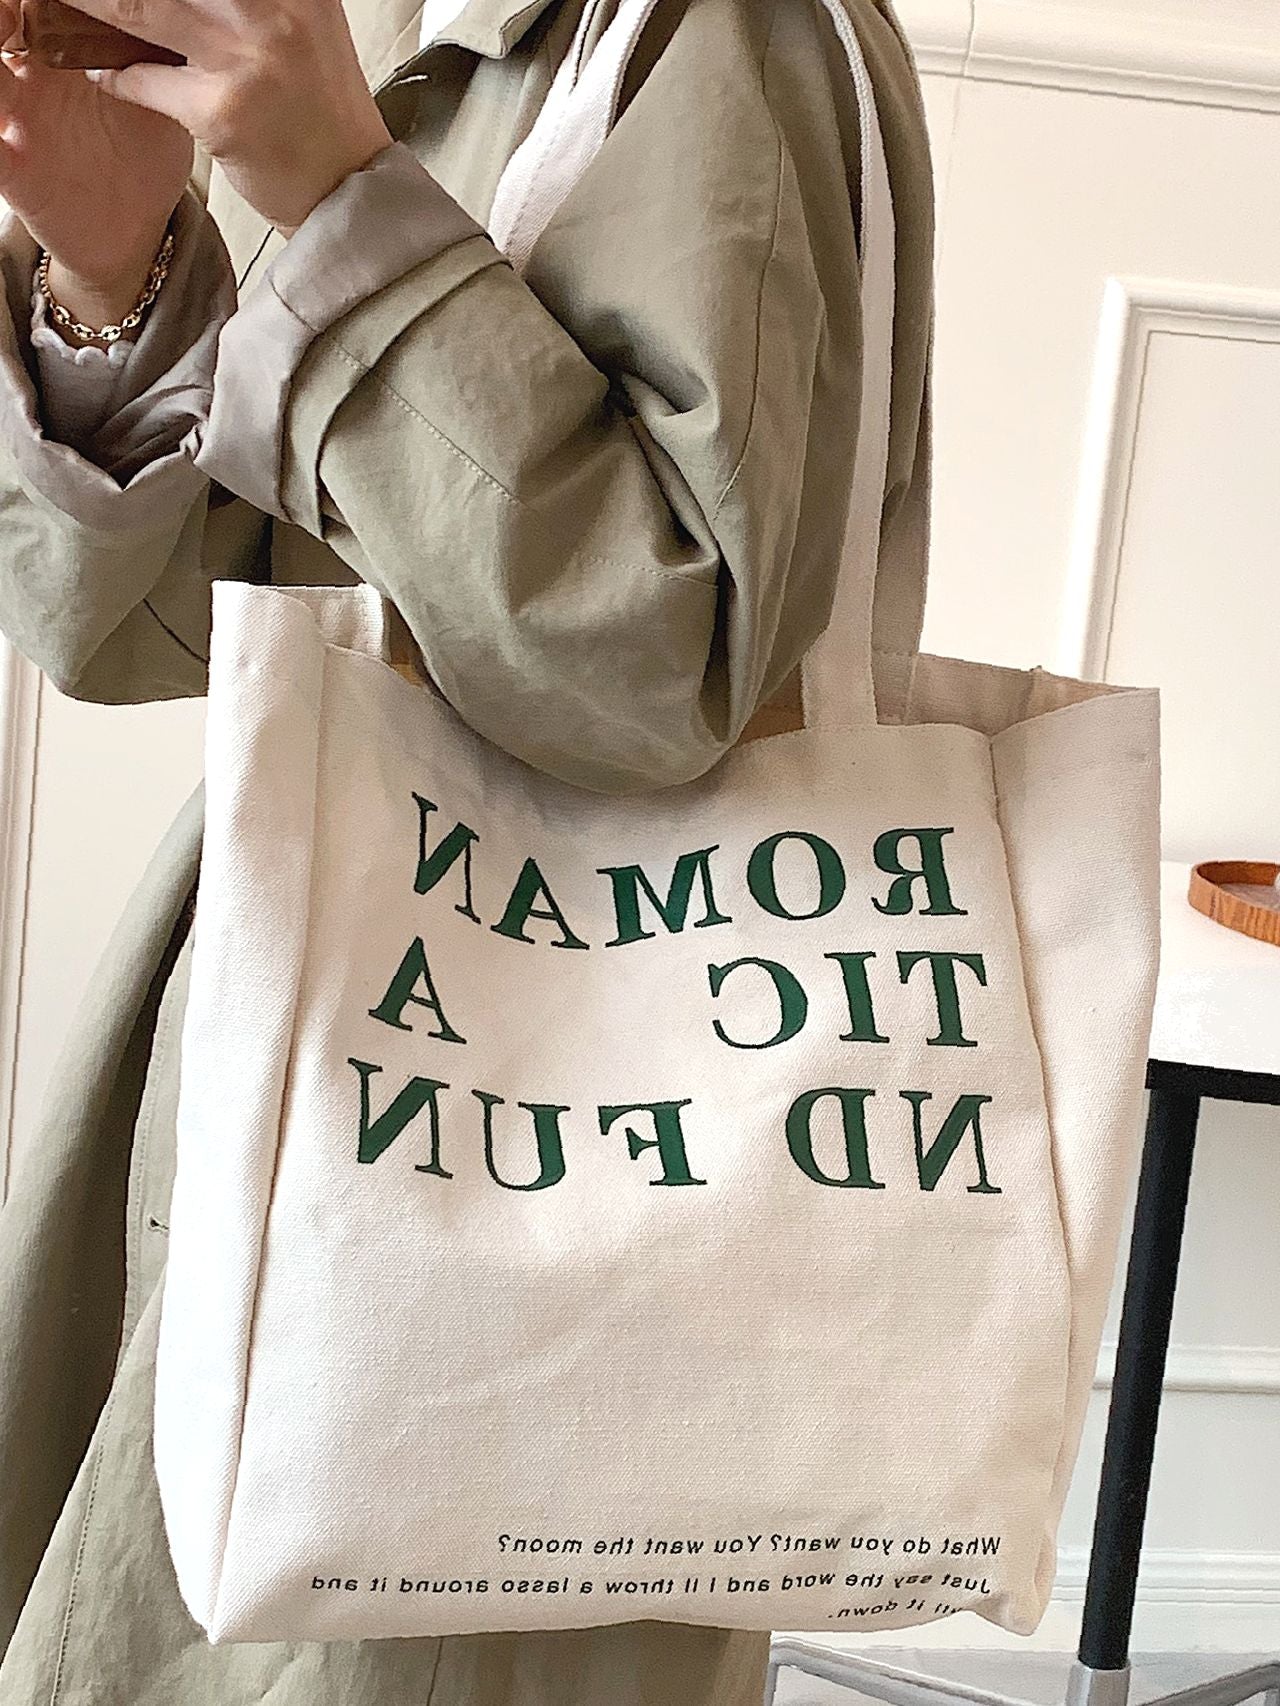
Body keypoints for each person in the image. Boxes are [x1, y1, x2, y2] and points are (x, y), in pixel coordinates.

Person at [0, 0, 935, 1698]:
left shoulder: (725, 35)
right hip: (308, 1027)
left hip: (495, 1152)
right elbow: (169, 621)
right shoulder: (419, 27)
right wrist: (117, 259)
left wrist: (340, 200)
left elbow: (669, 663)